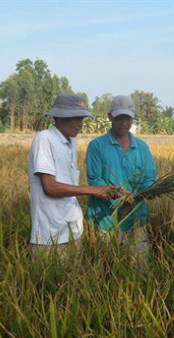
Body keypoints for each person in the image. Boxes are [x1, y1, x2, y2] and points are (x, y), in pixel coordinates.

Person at [29, 93, 117, 261]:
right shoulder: (44, 139)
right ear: (59, 117)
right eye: (76, 118)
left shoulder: (72, 142)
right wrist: (93, 190)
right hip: (50, 235)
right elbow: (50, 187)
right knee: (48, 284)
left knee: (72, 283)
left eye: (81, 119)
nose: (80, 124)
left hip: (73, 231)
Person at [86, 95, 157, 262]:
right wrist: (119, 195)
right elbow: (94, 180)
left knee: (139, 267)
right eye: (119, 118)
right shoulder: (97, 146)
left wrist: (148, 191)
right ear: (110, 117)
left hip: (136, 218)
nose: (124, 123)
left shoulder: (142, 148)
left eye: (128, 118)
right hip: (106, 220)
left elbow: (149, 178)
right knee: (107, 268)